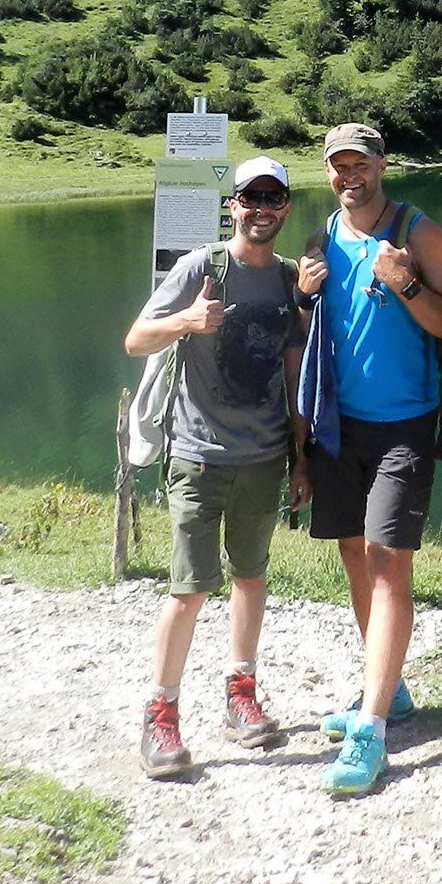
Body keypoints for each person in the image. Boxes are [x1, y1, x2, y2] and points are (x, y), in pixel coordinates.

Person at [124, 155, 318, 779]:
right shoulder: (200, 268)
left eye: (273, 199)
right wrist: (186, 320)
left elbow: (295, 372)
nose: (261, 210)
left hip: (264, 458)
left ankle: (241, 693)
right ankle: (161, 713)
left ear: (285, 208)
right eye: (249, 198)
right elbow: (135, 339)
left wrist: (301, 458)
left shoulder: (290, 280)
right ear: (231, 204)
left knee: (251, 578)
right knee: (189, 588)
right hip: (198, 457)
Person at [300, 121, 442, 797]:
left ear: (381, 165)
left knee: (387, 560)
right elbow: (311, 331)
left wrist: (407, 285)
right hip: (340, 424)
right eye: (338, 165)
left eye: (360, 164)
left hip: (405, 421)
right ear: (328, 171)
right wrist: (301, 296)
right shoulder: (320, 238)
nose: (349, 176)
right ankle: (387, 688)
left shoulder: (417, 232)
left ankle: (370, 728)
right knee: (352, 552)